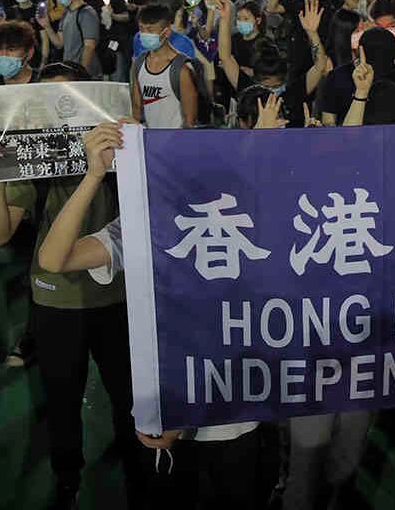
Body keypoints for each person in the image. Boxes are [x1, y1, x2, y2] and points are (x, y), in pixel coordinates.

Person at [34, 121, 271, 509]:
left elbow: (250, 329)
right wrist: (94, 174)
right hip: (167, 417)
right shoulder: (149, 223)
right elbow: (54, 258)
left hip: (232, 418)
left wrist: (188, 413)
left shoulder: (254, 224)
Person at [0, 62, 139, 508]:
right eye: (46, 103)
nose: (59, 113)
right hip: (55, 301)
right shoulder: (34, 162)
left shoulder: (117, 151)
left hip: (118, 298)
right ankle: (66, 478)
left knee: (129, 396)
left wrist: (134, 140)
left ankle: (139, 473)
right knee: (62, 399)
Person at [132, 3, 198, 128]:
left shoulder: (182, 69)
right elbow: (136, 108)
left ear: (166, 32)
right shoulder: (138, 63)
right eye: (141, 29)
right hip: (148, 140)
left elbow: (190, 120)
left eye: (150, 30)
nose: (144, 34)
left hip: (175, 142)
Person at [40, 0, 100, 77]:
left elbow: (89, 46)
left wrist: (82, 72)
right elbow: (59, 43)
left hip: (86, 73)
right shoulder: (66, 12)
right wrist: (47, 25)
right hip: (70, 71)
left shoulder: (87, 13)